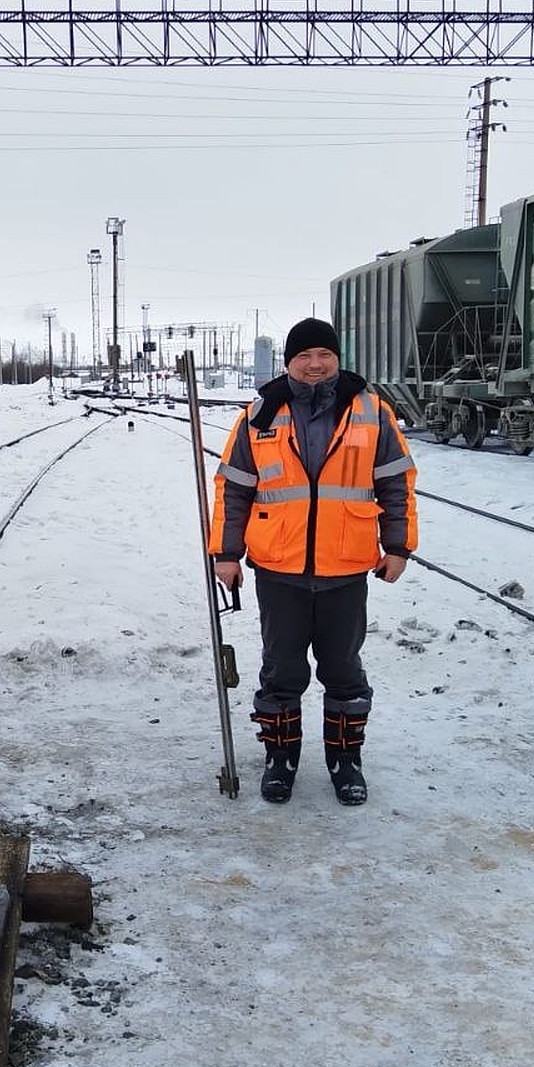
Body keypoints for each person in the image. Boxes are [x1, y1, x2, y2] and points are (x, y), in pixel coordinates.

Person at [209, 317, 417, 806]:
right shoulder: (259, 415)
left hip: (346, 566)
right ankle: (280, 759)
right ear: (289, 362)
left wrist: (399, 547)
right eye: (304, 356)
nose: (315, 364)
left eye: (324, 354)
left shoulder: (372, 412)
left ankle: (346, 762)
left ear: (337, 358)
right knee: (281, 670)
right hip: (279, 566)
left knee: (343, 668)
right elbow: (233, 489)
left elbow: (396, 482)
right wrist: (226, 552)